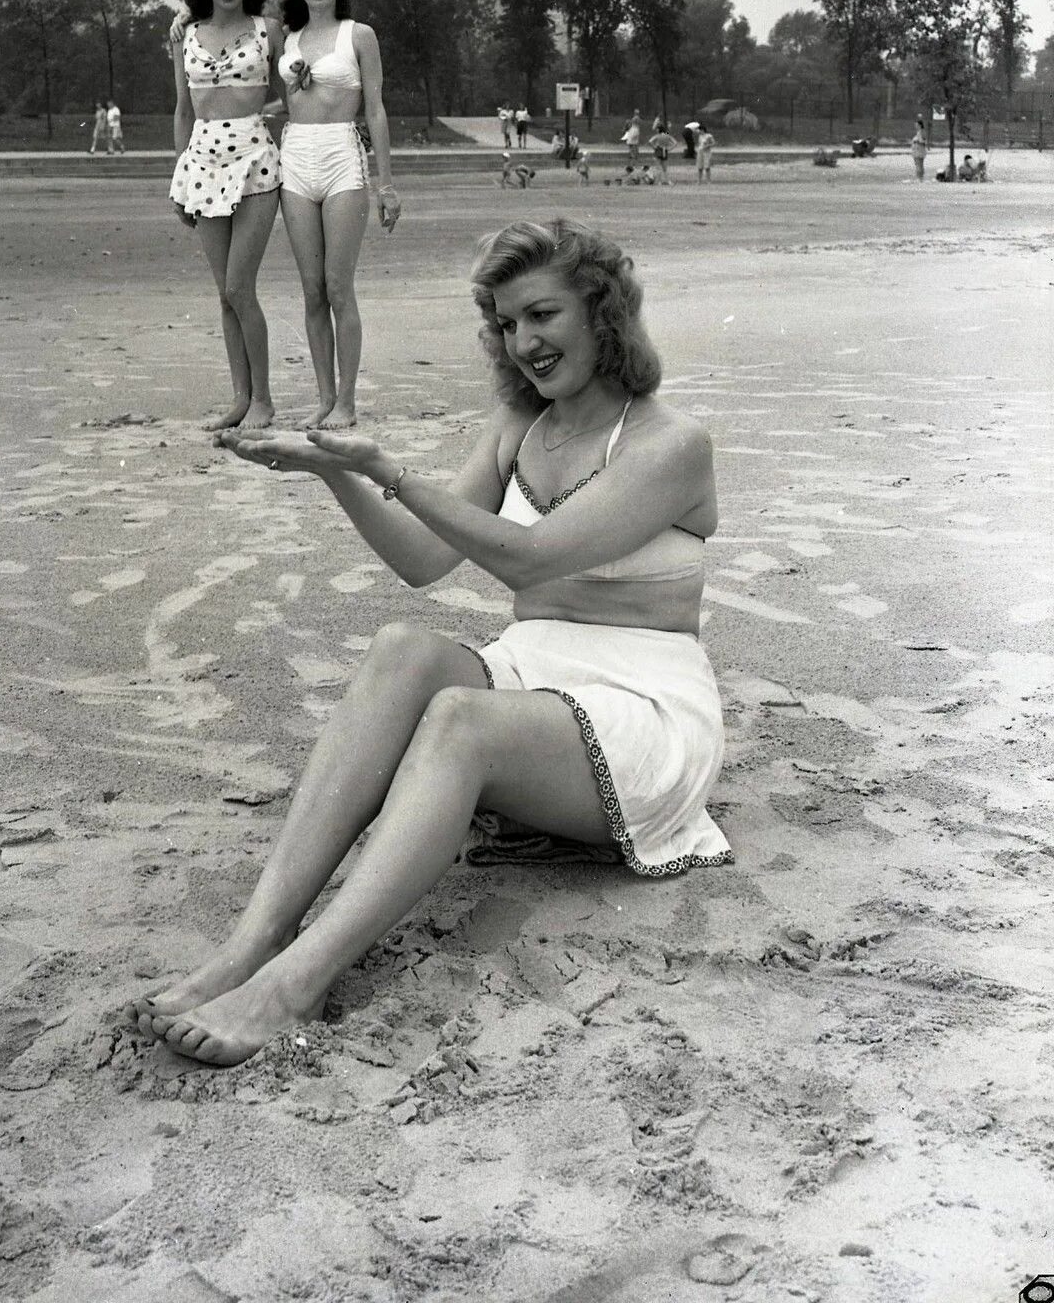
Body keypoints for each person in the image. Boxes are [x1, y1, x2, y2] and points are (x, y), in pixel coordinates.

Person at [123, 217, 731, 1067]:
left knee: (457, 718)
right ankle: (250, 945)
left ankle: (297, 982)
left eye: (543, 315)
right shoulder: (520, 427)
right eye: (506, 321)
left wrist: (387, 469)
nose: (524, 342)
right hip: (537, 679)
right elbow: (422, 561)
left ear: (604, 314)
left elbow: (529, 553)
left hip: (645, 711)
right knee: (405, 646)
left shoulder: (671, 445)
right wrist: (332, 470)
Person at [277, 0, 401, 430]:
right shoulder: (286, 39)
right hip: (296, 159)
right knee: (311, 291)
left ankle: (347, 401)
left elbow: (376, 108)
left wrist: (386, 184)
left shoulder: (359, 35)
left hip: (343, 160)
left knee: (337, 286)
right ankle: (325, 396)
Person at [169, 0, 284, 431]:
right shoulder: (184, 35)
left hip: (256, 164)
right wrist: (181, 176)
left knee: (240, 286)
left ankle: (264, 400)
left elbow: (288, 96)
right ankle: (240, 398)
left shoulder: (269, 29)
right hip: (202, 166)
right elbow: (181, 110)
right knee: (224, 293)